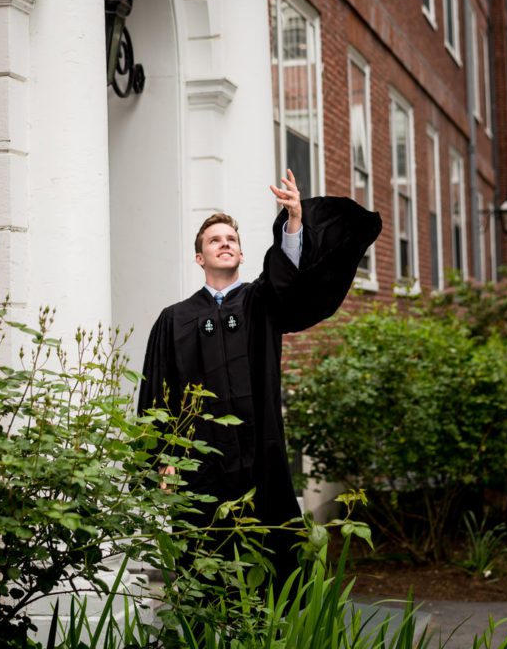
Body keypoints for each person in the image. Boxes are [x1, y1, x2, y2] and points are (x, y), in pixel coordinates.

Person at [137, 170, 382, 591]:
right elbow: (157, 393)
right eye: (214, 240)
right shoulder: (174, 320)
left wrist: (293, 223)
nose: (224, 243)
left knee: (268, 554)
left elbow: (292, 281)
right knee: (205, 560)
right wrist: (164, 456)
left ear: (242, 253)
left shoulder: (260, 301)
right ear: (199, 258)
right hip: (201, 466)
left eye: (231, 239)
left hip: (259, 455)